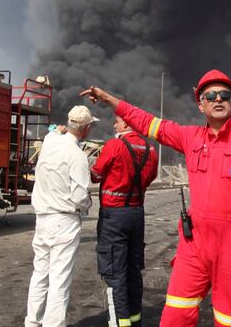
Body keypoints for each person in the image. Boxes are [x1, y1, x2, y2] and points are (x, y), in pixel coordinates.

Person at [80, 69, 231, 327]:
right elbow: (146, 122)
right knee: (174, 317)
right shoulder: (189, 137)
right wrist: (108, 99)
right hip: (194, 245)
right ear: (201, 105)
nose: (218, 99)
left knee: (230, 321)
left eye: (224, 94)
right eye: (210, 96)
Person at [25, 105, 98, 327]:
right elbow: (79, 196)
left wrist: (59, 130)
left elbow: (54, 131)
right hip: (64, 221)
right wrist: (88, 203)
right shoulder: (77, 156)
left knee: (40, 274)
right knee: (60, 279)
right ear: (85, 129)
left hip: (42, 219)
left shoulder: (49, 142)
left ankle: (32, 322)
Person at [91, 116, 159, 327]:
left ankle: (119, 323)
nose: (114, 125)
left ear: (127, 124)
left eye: (117, 122)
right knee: (133, 269)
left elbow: (96, 175)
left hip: (114, 215)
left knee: (114, 272)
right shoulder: (152, 150)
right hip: (137, 213)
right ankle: (134, 320)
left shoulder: (115, 145)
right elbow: (150, 177)